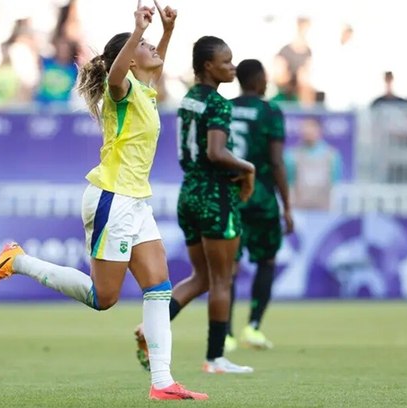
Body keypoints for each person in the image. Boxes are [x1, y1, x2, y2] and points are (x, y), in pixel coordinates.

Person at [0, 1, 207, 401]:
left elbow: (146, 65)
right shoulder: (120, 89)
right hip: (111, 199)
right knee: (105, 299)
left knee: (159, 288)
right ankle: (17, 261)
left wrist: (167, 32)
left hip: (136, 202)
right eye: (146, 47)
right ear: (130, 60)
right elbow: (119, 72)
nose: (153, 49)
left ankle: (162, 382)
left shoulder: (145, 90)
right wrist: (136, 31)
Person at [136, 35, 256, 374]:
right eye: (226, 62)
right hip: (215, 195)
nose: (233, 67)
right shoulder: (219, 104)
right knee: (221, 279)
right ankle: (216, 358)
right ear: (208, 67)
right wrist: (248, 168)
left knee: (201, 277)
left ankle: (150, 329)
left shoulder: (189, 99)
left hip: (188, 193)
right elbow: (216, 153)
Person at [225, 59, 294, 352]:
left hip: (231, 197)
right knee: (266, 261)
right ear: (256, 80)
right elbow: (276, 161)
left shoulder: (224, 108)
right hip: (262, 196)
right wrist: (287, 205)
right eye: (264, 78)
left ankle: (224, 333)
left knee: (227, 265)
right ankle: (252, 327)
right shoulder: (270, 111)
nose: (267, 83)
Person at [285, 116, 343, 210]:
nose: (308, 132)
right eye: (305, 128)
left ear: (319, 130)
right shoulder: (291, 155)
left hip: (324, 209)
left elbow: (335, 184)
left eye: (311, 128)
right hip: (299, 210)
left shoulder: (332, 155)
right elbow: (289, 183)